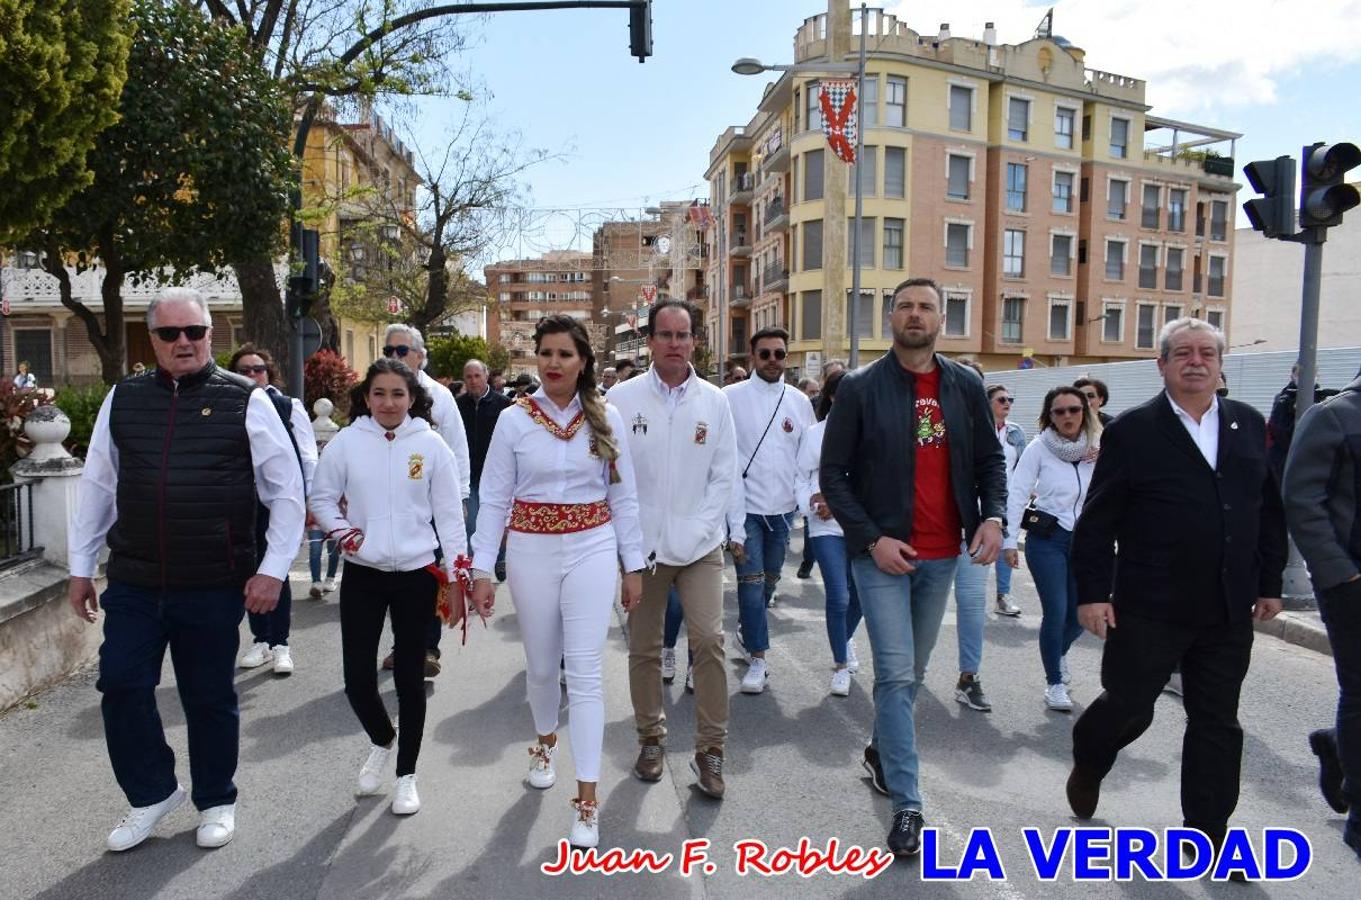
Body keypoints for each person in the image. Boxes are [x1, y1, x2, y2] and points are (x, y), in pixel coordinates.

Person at [67, 288, 305, 852]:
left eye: (194, 332)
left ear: (209, 335)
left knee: (208, 696)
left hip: (213, 579)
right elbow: (98, 484)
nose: (184, 342)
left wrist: (273, 570)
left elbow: (286, 492)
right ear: (152, 339)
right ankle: (152, 792)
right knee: (121, 683)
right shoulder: (123, 399)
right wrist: (80, 568)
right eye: (170, 333)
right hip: (136, 579)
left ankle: (216, 799)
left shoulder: (246, 399)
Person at [1067, 317, 1287, 861]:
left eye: (1207, 353)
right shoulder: (1134, 430)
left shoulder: (1246, 422)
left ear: (1220, 365)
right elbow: (1098, 521)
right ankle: (1090, 757)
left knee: (1217, 720)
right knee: (1130, 705)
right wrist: (1093, 593)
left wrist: (1269, 582)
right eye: (1183, 353)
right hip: (1150, 605)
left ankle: (1208, 834)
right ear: (1161, 364)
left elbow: (1266, 510)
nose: (1196, 361)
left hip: (1227, 606)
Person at [820, 277, 1005, 857]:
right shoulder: (859, 388)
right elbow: (833, 476)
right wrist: (872, 539)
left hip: (943, 555)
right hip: (882, 557)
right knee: (897, 674)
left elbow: (989, 460)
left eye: (926, 306)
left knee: (914, 673)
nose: (916, 314)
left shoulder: (965, 385)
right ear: (890, 318)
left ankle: (881, 750)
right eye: (905, 306)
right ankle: (908, 803)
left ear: (941, 319)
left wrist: (994, 516)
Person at [470, 314, 644, 850]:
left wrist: (633, 564)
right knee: (543, 668)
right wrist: (481, 568)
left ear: (583, 361)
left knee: (586, 672)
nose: (553, 363)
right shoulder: (514, 420)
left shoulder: (607, 417)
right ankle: (545, 741)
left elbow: (623, 498)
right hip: (530, 551)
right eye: (546, 353)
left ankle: (587, 799)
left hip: (592, 548)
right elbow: (493, 497)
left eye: (565, 354)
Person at [310, 358, 467, 818]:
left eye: (398, 394)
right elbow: (321, 498)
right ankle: (383, 740)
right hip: (364, 573)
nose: (388, 403)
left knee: (409, 679)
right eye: (379, 393)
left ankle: (406, 775)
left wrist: (459, 578)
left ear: (413, 398)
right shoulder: (347, 442)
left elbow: (450, 519)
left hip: (417, 575)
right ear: (366, 397)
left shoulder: (432, 445)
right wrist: (346, 535)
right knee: (357, 681)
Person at [610, 298, 737, 798]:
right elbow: (612, 476)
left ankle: (711, 750)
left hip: (700, 547)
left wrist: (697, 529)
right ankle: (650, 739)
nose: (674, 344)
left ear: (694, 342)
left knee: (709, 641)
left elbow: (723, 476)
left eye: (683, 335)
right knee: (644, 648)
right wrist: (627, 546)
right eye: (665, 334)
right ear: (649, 341)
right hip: (642, 551)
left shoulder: (715, 401)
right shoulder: (622, 399)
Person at [1282, 369, 1361, 860]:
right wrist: (1341, 575)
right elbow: (1301, 500)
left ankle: (1338, 745)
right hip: (1351, 583)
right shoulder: (1333, 416)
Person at [724, 326, 816, 694]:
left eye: (779, 354)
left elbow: (809, 457)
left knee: (770, 581)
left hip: (783, 513)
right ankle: (758, 659)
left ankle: (747, 630)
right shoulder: (729, 398)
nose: (773, 360)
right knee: (750, 584)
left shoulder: (799, 401)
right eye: (765, 354)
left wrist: (809, 499)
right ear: (752, 357)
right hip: (744, 510)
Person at [380, 324, 470, 677]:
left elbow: (457, 449)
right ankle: (402, 644)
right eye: (389, 351)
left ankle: (427, 647)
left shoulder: (440, 397)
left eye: (402, 351)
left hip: (430, 504)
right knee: (393, 576)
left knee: (429, 577)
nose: (395, 357)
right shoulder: (374, 394)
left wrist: (461, 495)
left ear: (419, 356)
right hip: (389, 503)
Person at [1004, 386, 1100, 712]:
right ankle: (1054, 682)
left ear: (1084, 412)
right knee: (1056, 612)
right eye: (1059, 411)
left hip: (1086, 540)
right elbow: (1017, 493)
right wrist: (1009, 541)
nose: (1067, 416)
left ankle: (1057, 653)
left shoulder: (1098, 448)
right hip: (1048, 539)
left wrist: (1106, 458)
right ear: (1050, 416)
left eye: (1074, 409)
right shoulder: (1038, 448)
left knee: (1079, 616)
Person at [228, 345, 317, 677]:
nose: (252, 375)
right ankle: (261, 639)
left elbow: (307, 456)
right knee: (248, 571)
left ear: (269, 372)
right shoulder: (228, 405)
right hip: (239, 503)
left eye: (258, 369)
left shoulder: (287, 406)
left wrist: (310, 500)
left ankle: (281, 644)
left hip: (276, 502)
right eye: (244, 370)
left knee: (275, 570)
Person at [795, 369, 863, 697]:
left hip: (860, 525)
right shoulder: (815, 434)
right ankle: (840, 665)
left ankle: (844, 639)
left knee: (860, 596)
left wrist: (841, 504)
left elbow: (875, 480)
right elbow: (802, 476)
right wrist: (812, 501)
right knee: (839, 595)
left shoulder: (871, 431)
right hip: (825, 527)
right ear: (833, 396)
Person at [456, 358, 512, 582]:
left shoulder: (503, 404)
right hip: (469, 475)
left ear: (486, 376)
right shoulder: (458, 405)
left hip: (496, 475)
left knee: (498, 521)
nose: (473, 381)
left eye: (477, 376)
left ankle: (500, 559)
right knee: (472, 523)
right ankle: (474, 567)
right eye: (468, 377)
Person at [988, 384, 1026, 617]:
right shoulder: (976, 428)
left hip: (1008, 499)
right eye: (1001, 399)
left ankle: (1003, 595)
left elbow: (1022, 466)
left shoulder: (1016, 432)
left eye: (1010, 400)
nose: (1007, 404)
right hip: (980, 497)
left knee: (1006, 543)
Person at [307, 398, 341, 598]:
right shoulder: (307, 437)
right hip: (313, 499)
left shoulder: (339, 440)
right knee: (315, 545)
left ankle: (330, 578)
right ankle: (315, 581)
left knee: (333, 545)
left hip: (335, 500)